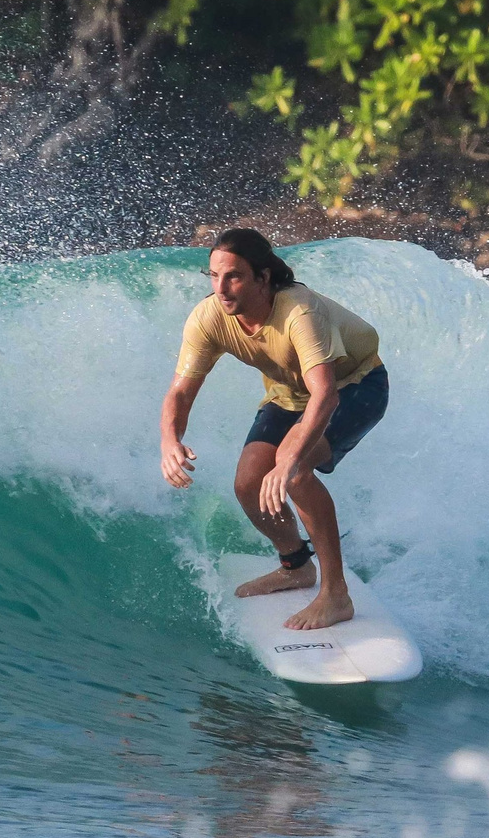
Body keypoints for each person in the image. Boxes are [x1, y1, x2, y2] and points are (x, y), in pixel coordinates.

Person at [158, 227, 389, 631]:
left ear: (262, 277)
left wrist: (291, 459)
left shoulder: (299, 312)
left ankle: (336, 595)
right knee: (248, 483)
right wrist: (169, 440)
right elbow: (180, 392)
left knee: (294, 470)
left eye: (234, 276)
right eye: (213, 276)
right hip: (287, 395)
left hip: (356, 386)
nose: (222, 288)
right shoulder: (210, 317)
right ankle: (296, 565)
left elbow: (325, 395)